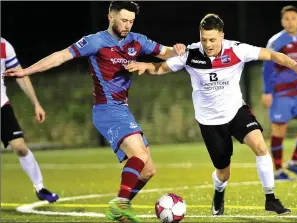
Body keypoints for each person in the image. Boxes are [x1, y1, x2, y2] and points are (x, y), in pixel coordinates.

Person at [4, 1, 185, 222]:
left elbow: (166, 53)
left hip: (123, 110)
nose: (128, 25)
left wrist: (179, 51)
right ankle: (119, 205)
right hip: (106, 109)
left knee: (148, 170)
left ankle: (120, 208)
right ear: (110, 17)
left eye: (131, 21)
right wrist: (27, 70)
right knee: (139, 155)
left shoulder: (138, 41)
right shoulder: (95, 41)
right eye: (124, 20)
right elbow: (61, 56)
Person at [125, 13, 297, 216]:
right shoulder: (190, 54)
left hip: (236, 111)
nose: (208, 44)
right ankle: (219, 191)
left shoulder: (238, 50)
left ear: (222, 35)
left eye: (213, 39)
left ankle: (271, 199)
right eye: (204, 39)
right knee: (223, 173)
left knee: (260, 147)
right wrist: (146, 66)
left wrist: (294, 65)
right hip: (209, 121)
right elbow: (162, 67)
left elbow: (272, 55)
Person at [261, 5, 297, 180]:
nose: (290, 21)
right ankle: (278, 170)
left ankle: (294, 162)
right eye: (286, 18)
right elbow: (267, 66)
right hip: (281, 92)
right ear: (282, 21)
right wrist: (267, 92)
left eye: (293, 18)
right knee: (279, 131)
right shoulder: (276, 41)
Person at [1, 37, 59, 203]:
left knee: (20, 147)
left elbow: (21, 75)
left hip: (1, 106)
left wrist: (36, 103)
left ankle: (40, 187)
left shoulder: (4, 46)